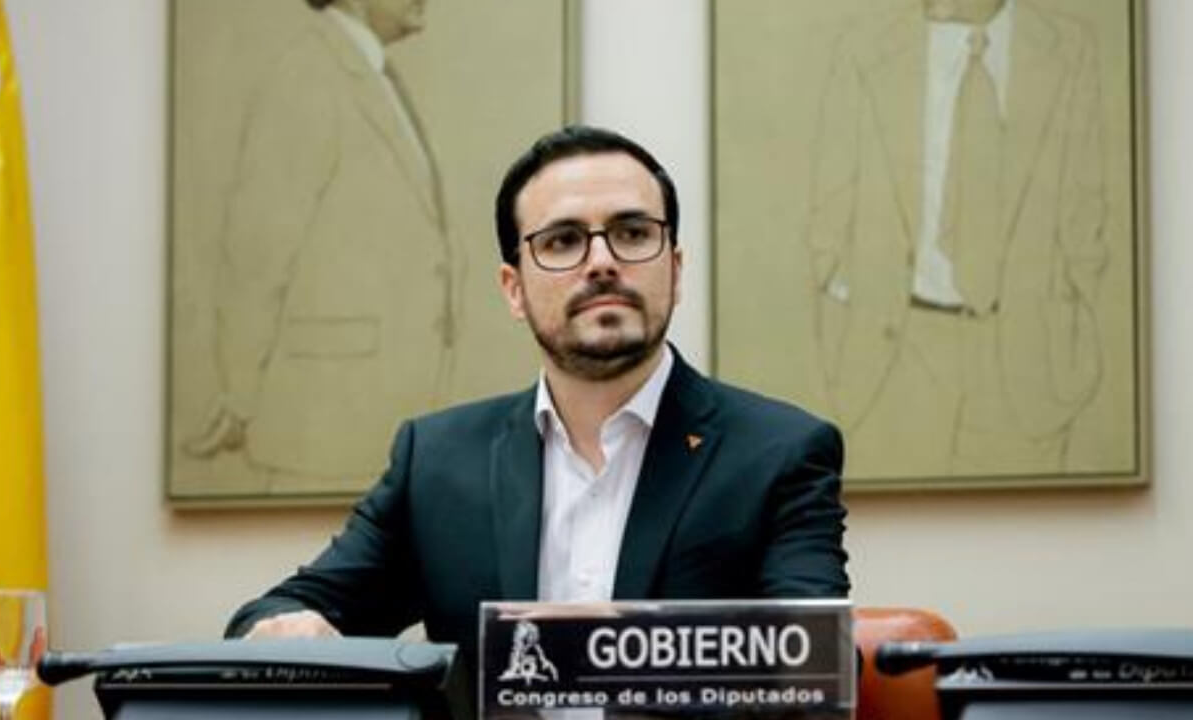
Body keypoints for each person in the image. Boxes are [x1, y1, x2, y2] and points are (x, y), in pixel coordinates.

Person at [226, 126, 849, 676]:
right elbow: (279, 611)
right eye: (562, 241)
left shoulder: (779, 454)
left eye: (633, 233)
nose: (602, 262)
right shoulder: (436, 461)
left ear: (675, 270)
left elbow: (813, 670)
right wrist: (287, 626)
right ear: (514, 288)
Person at [807, 0, 1108, 478]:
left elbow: (1089, 210)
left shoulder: (1067, 49)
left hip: (1031, 358)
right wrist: (847, 312)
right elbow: (829, 207)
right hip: (896, 352)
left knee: (1035, 536)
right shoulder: (866, 49)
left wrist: (1073, 313)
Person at [183, 0, 456, 490]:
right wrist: (239, 394)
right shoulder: (307, 76)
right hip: (322, 434)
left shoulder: (370, 73)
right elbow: (257, 254)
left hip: (378, 422)